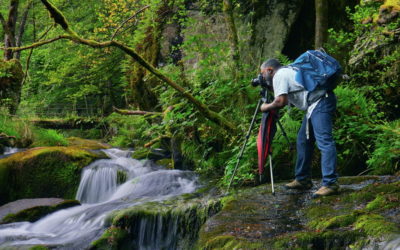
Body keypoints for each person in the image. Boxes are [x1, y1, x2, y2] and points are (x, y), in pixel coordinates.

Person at [259, 58, 339, 197]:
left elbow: (280, 101)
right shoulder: (288, 71)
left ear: (269, 70)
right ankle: (302, 179)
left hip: (320, 102)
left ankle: (330, 183)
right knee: (303, 141)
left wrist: (265, 106)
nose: (262, 76)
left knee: (325, 142)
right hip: (314, 105)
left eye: (262, 73)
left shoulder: (280, 75)